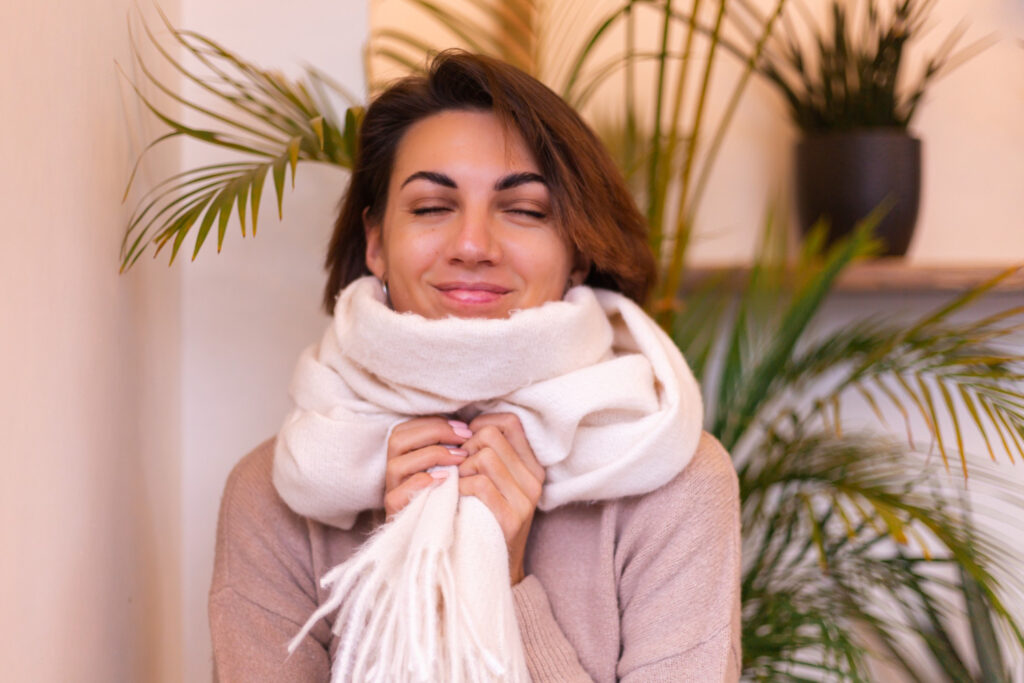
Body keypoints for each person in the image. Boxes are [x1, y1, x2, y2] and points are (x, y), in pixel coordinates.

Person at [209, 50, 741, 682]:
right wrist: (410, 572)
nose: (472, 246)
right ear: (376, 242)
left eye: (524, 210)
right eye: (433, 207)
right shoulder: (274, 497)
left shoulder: (674, 483)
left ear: (576, 253)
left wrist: (502, 581)